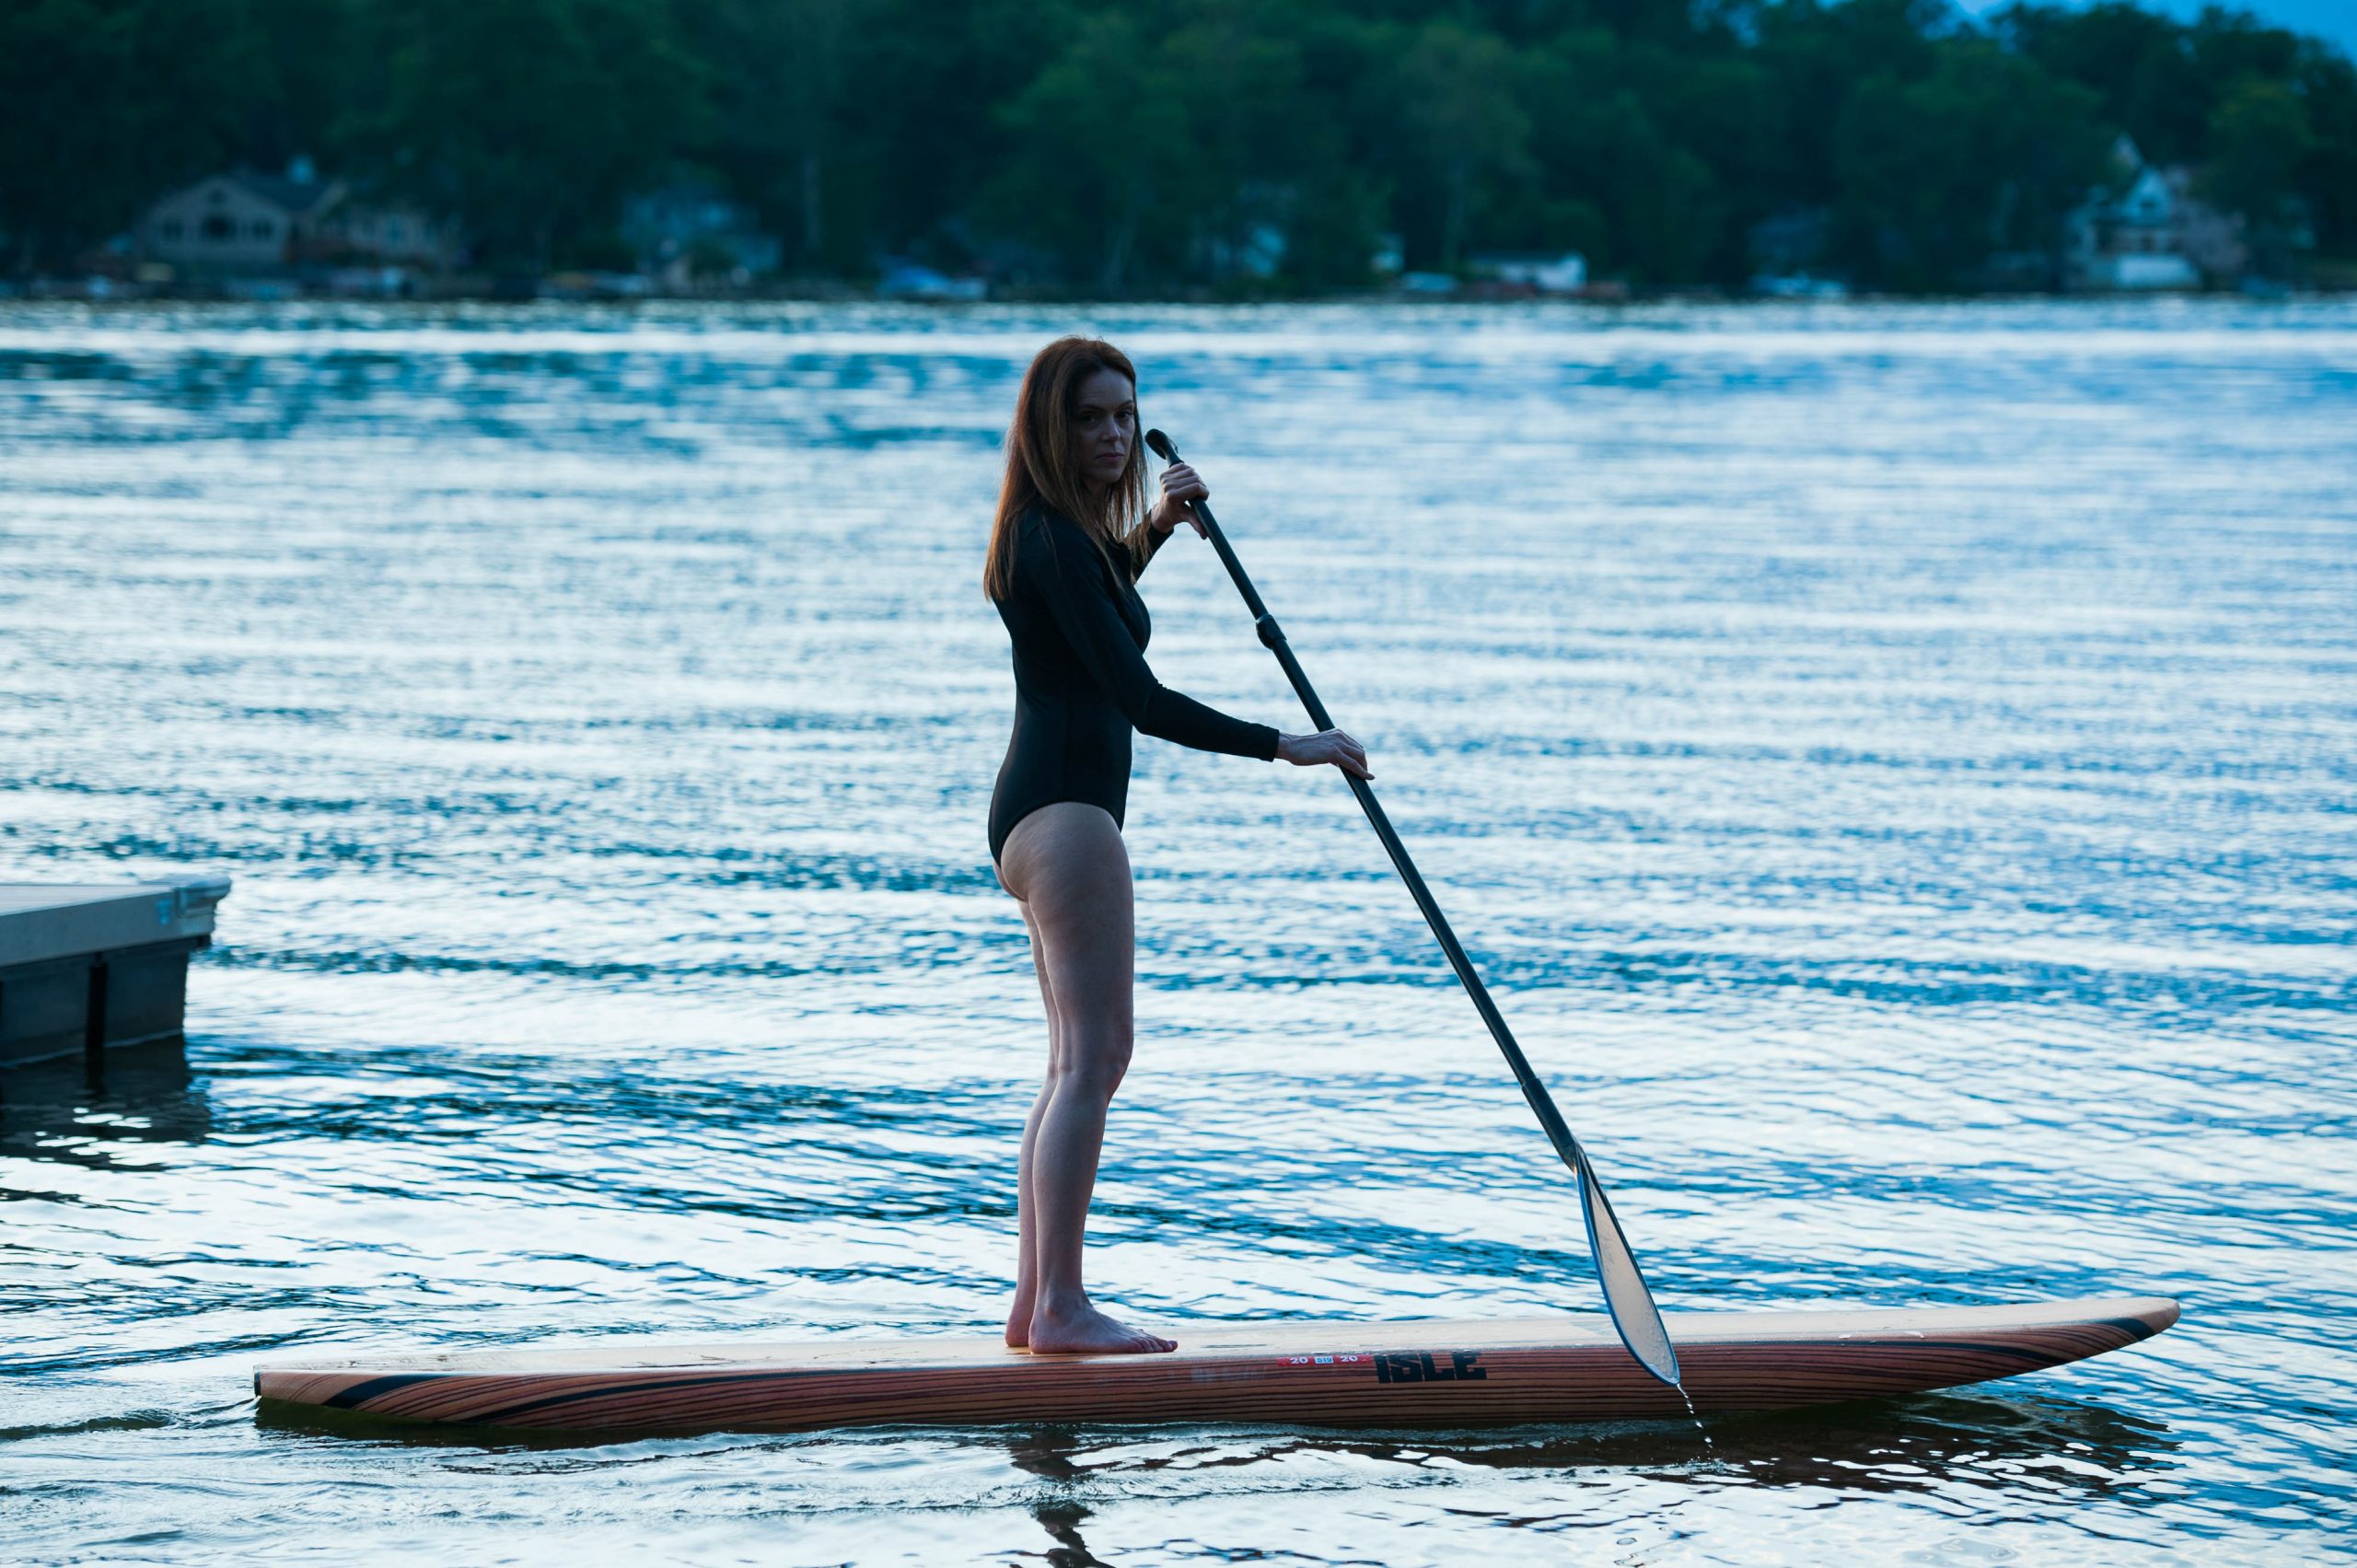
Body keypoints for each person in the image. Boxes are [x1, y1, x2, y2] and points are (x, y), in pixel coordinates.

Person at [983, 337, 1372, 1354]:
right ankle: (1062, 1308)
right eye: (1090, 418)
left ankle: (1036, 1307)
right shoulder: (1051, 539)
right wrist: (1289, 744)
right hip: (1068, 816)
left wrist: (1156, 525)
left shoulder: (1048, 537)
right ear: (1047, 428)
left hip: (1036, 811)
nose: (1114, 435)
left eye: (1125, 416)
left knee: (1073, 1059)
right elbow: (1140, 699)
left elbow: (1098, 605)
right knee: (1096, 1057)